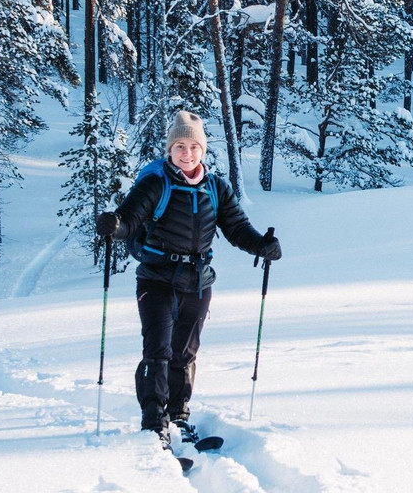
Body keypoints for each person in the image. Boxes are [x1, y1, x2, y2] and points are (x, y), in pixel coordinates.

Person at [95, 110, 280, 446]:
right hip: (156, 279)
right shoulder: (156, 182)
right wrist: (116, 226)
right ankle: (154, 422)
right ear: (170, 149)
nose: (186, 153)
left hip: (198, 281)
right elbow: (130, 219)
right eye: (179, 146)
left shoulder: (216, 188)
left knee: (185, 353)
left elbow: (237, 228)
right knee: (158, 350)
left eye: (193, 146)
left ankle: (179, 418)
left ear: (202, 150)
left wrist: (263, 246)